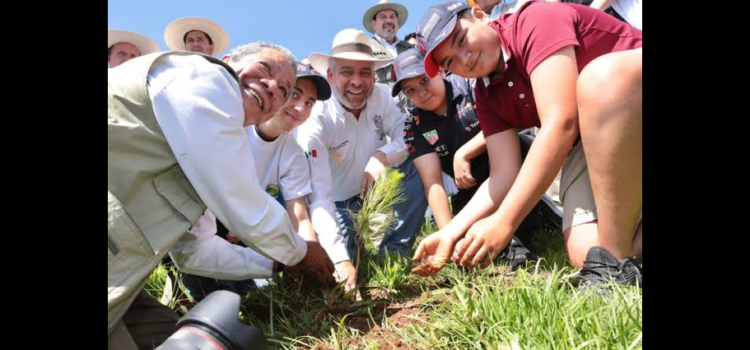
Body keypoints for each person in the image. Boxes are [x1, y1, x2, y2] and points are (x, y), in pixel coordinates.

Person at [108, 42, 334, 349]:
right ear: (227, 61)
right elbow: (244, 205)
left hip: (123, 284)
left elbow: (195, 251)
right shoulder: (205, 77)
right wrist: (299, 253)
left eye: (283, 89)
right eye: (265, 69)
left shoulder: (204, 142)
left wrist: (278, 264)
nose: (271, 86)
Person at [412, 1, 642, 288]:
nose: (464, 58)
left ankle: (614, 265)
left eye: (461, 40)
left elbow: (561, 122)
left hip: (630, 99)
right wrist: (451, 232)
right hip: (599, 139)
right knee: (583, 250)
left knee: (600, 79)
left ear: (479, 15)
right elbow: (503, 174)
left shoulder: (534, 20)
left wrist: (504, 223)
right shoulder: (486, 94)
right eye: (450, 62)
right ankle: (612, 251)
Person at [297, 29, 429, 293]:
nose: (357, 82)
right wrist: (340, 258)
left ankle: (393, 252)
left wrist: (383, 155)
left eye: (365, 72)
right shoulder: (316, 121)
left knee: (421, 162)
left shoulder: (382, 97)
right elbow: (320, 197)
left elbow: (410, 135)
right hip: (336, 204)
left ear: (373, 75)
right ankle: (352, 253)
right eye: (347, 72)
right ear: (330, 75)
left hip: (375, 191)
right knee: (342, 258)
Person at [164, 17, 230, 56]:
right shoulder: (176, 71)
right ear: (185, 48)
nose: (195, 44)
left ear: (211, 48)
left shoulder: (221, 72)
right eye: (190, 40)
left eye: (200, 40)